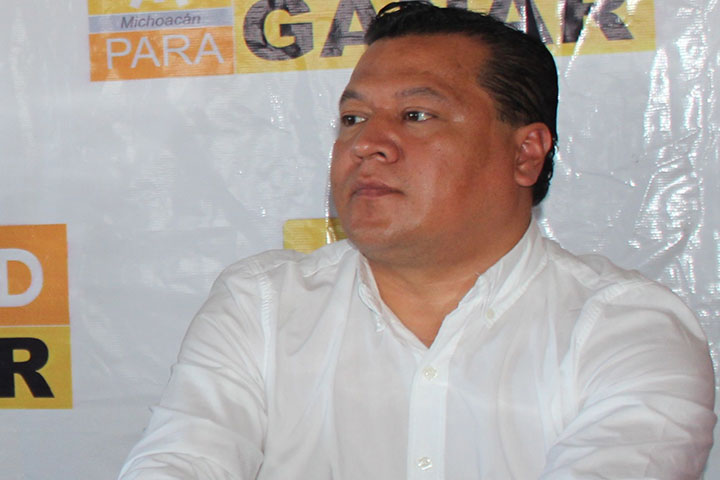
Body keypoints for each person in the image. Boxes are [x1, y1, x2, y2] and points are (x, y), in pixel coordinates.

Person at [118, 2, 716, 479]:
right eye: (353, 119)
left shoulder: (626, 328)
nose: (366, 144)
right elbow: (181, 460)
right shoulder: (262, 306)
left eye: (416, 116)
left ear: (526, 153)